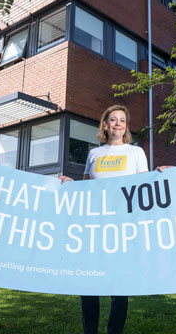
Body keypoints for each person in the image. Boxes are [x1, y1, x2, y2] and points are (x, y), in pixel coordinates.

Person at [60, 104, 148, 334]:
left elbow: (144, 188)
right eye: (113, 119)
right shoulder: (94, 154)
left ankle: (114, 331)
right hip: (95, 226)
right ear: (105, 125)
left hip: (122, 226)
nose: (118, 123)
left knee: (119, 284)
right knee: (88, 281)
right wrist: (71, 185)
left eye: (122, 120)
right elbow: (87, 190)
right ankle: (90, 330)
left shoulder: (136, 153)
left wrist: (163, 175)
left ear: (126, 126)